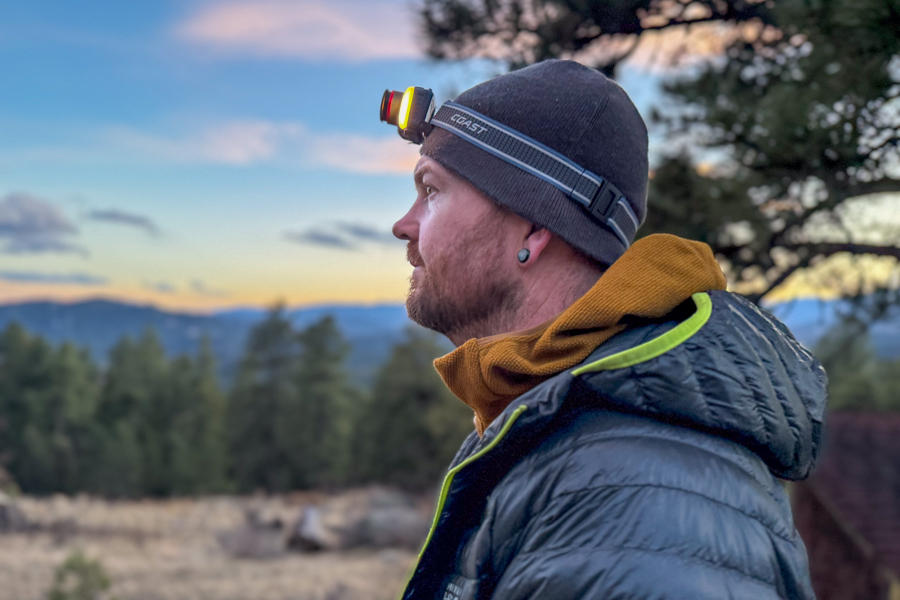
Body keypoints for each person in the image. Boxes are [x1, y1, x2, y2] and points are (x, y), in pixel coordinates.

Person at [390, 60, 826, 600]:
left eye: (431, 191)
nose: (403, 225)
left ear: (534, 224)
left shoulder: (632, 493)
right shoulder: (554, 426)